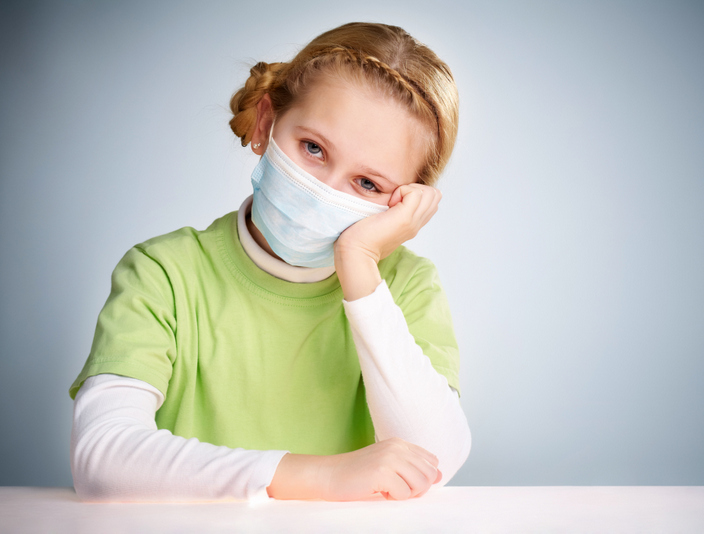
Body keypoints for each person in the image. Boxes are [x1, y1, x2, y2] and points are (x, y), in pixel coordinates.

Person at [68, 22, 471, 503]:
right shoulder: (164, 273)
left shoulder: (407, 286)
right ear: (265, 125)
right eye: (314, 149)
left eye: (368, 184)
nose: (326, 189)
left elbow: (433, 462)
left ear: (403, 201)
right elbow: (102, 458)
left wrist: (359, 264)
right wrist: (320, 477)